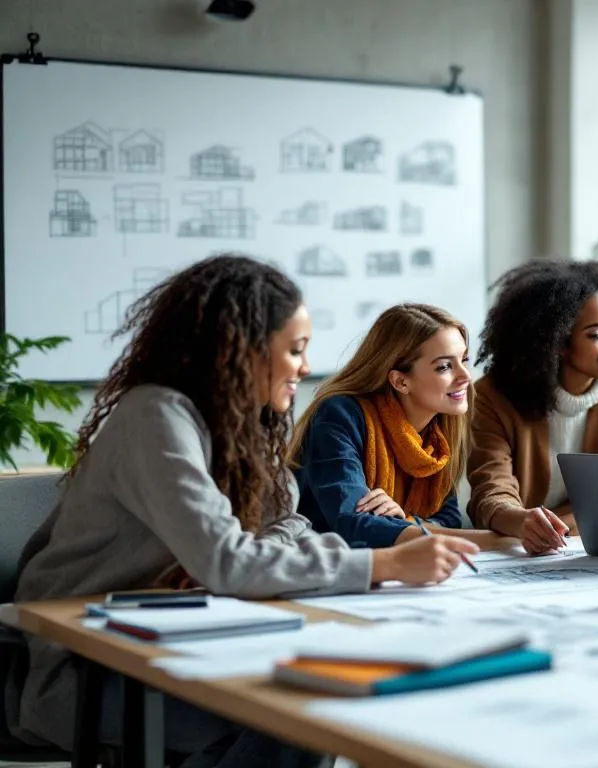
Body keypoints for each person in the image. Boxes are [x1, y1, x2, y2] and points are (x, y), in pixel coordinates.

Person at [7, 256, 476, 765]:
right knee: (300, 716)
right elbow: (229, 563)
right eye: (294, 351)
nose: (303, 367)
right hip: (88, 662)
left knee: (322, 701)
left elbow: (285, 526)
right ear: (241, 350)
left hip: (191, 634)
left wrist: (234, 559)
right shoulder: (155, 416)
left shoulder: (245, 421)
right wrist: (382, 563)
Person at [468, 261, 598, 554]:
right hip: (512, 550)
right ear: (557, 343)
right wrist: (521, 521)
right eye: (595, 335)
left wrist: (563, 524)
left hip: (586, 547)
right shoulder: (492, 397)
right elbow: (491, 491)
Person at [289, 303, 486, 548]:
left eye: (464, 360)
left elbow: (449, 519)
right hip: (325, 570)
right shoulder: (339, 415)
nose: (465, 376)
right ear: (401, 381)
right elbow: (352, 523)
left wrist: (404, 522)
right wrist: (501, 540)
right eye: (445, 366)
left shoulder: (438, 430)